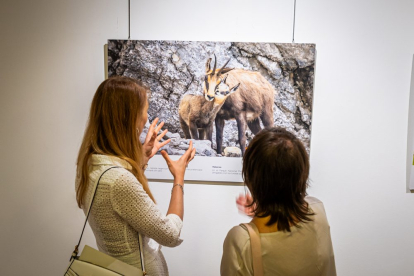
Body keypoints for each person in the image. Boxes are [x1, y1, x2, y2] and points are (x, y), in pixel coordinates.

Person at [75, 76, 195, 275]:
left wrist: (140, 159)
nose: (146, 118)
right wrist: (179, 179)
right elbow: (170, 235)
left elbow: (115, 207)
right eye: (145, 111)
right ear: (129, 118)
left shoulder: (88, 165)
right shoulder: (119, 182)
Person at [221, 127, 336, 276]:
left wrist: (262, 212)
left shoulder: (241, 240)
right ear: (302, 172)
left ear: (250, 177)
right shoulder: (318, 210)